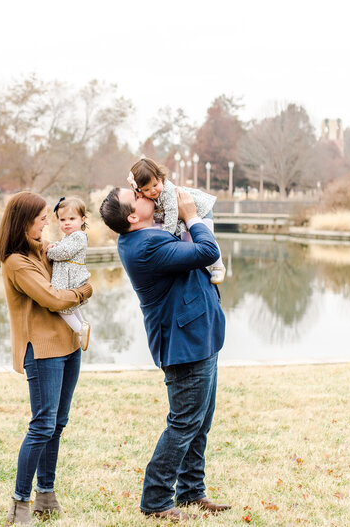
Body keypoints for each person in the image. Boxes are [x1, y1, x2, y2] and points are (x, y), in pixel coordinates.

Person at [99, 184, 231, 522]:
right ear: (132, 216)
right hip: (184, 345)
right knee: (184, 423)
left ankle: (191, 491)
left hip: (200, 336)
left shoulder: (150, 234)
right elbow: (206, 252)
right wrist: (192, 216)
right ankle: (156, 500)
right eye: (137, 198)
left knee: (199, 422)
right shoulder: (145, 245)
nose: (144, 195)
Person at [0, 191, 93, 525]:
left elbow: (70, 258)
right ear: (25, 222)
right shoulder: (16, 262)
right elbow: (52, 298)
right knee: (42, 425)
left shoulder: (42, 248)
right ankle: (19, 504)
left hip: (67, 345)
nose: (48, 222)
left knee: (58, 423)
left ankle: (46, 496)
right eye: (41, 218)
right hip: (42, 351)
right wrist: (84, 291)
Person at [128, 158, 226, 284]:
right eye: (146, 189)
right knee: (187, 242)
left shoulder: (167, 191)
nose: (152, 191)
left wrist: (165, 236)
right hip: (183, 217)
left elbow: (172, 214)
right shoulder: (149, 194)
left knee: (208, 238)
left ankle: (218, 266)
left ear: (160, 178)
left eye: (155, 185)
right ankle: (196, 268)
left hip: (201, 210)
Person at [47, 196, 91, 350]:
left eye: (72, 218)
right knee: (70, 306)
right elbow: (64, 245)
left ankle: (80, 330)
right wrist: (56, 244)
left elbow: (64, 252)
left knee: (60, 306)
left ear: (82, 219)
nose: (66, 223)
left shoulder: (79, 236)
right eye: (62, 219)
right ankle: (81, 326)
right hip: (67, 274)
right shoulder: (70, 236)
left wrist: (50, 251)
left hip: (69, 277)